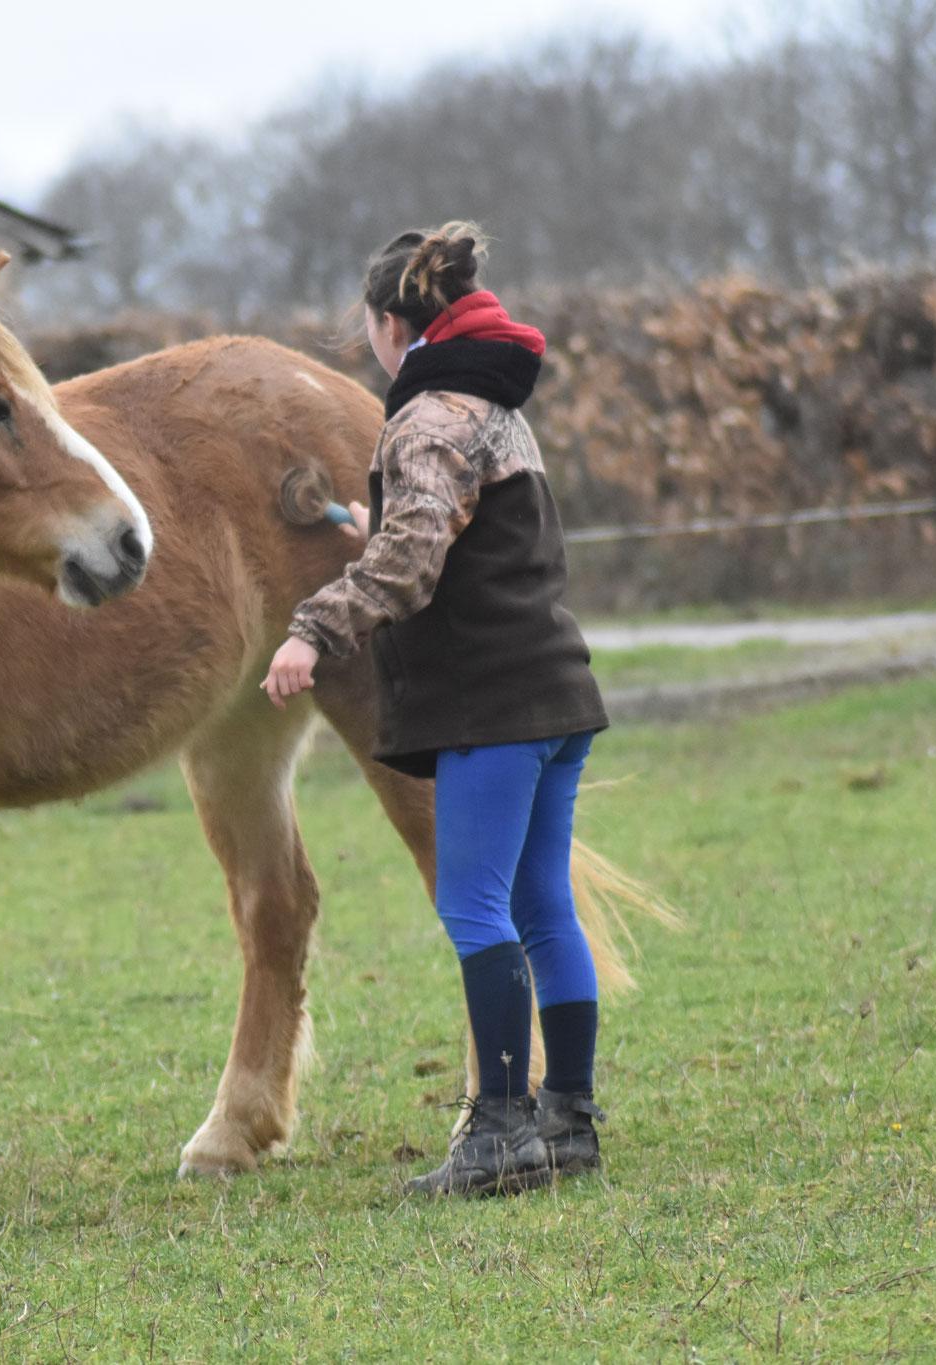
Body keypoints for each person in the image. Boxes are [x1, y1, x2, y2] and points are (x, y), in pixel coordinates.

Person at [261, 222, 610, 1197]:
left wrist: (312, 630)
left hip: (488, 706)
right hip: (554, 693)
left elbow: (412, 562)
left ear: (387, 323)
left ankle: (498, 1135)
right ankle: (566, 1123)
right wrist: (368, 522)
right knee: (542, 906)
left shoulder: (420, 419)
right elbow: (460, 529)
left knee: (471, 904)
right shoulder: (491, 405)